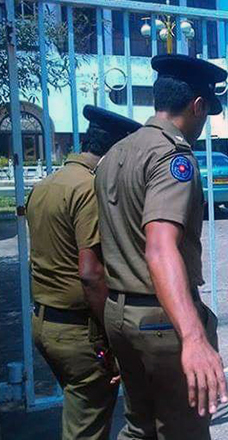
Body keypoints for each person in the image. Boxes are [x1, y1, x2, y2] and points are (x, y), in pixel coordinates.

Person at [95, 54, 228, 440]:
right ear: (197, 106)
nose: (204, 123)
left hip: (119, 313)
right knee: (183, 431)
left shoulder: (115, 154)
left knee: (140, 427)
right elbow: (159, 247)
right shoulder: (173, 156)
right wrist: (193, 337)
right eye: (206, 113)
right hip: (160, 321)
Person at [26, 105, 141, 440]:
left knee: (78, 417)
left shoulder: (47, 185)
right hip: (80, 334)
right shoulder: (89, 189)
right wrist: (113, 339)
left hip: (45, 324)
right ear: (114, 153)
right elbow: (91, 274)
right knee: (87, 430)